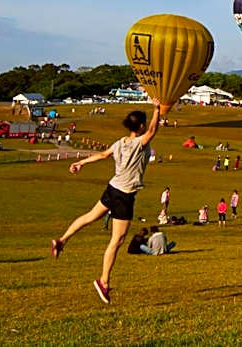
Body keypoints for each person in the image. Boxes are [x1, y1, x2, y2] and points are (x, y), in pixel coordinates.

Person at [50, 99, 161, 304]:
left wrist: (80, 162)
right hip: (125, 195)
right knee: (116, 241)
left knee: (89, 217)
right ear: (141, 126)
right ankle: (104, 282)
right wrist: (157, 109)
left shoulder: (121, 142)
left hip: (112, 188)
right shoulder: (139, 143)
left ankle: (62, 240)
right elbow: (153, 130)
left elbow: (102, 155)